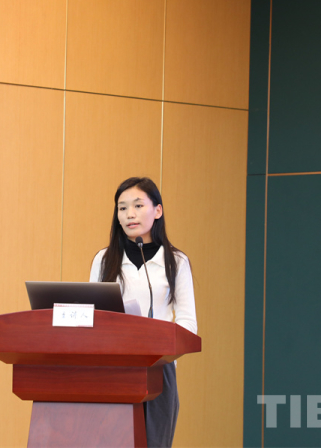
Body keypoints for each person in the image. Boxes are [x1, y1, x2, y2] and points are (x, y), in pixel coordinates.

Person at [89, 177, 197, 448]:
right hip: (113, 368)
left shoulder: (176, 261)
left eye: (138, 205)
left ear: (157, 210)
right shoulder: (104, 260)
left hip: (159, 370)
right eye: (122, 208)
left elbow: (187, 323)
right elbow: (92, 314)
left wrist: (164, 353)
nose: (130, 214)